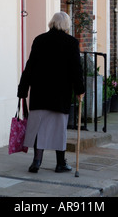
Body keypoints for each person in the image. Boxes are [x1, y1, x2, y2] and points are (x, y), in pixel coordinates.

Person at [17, 11, 85, 173]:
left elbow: (30, 67)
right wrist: (80, 89)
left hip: (40, 92)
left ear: (52, 23)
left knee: (38, 128)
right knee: (58, 129)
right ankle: (60, 163)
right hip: (60, 94)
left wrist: (23, 89)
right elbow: (76, 68)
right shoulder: (71, 43)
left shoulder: (40, 40)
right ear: (66, 25)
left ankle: (37, 161)